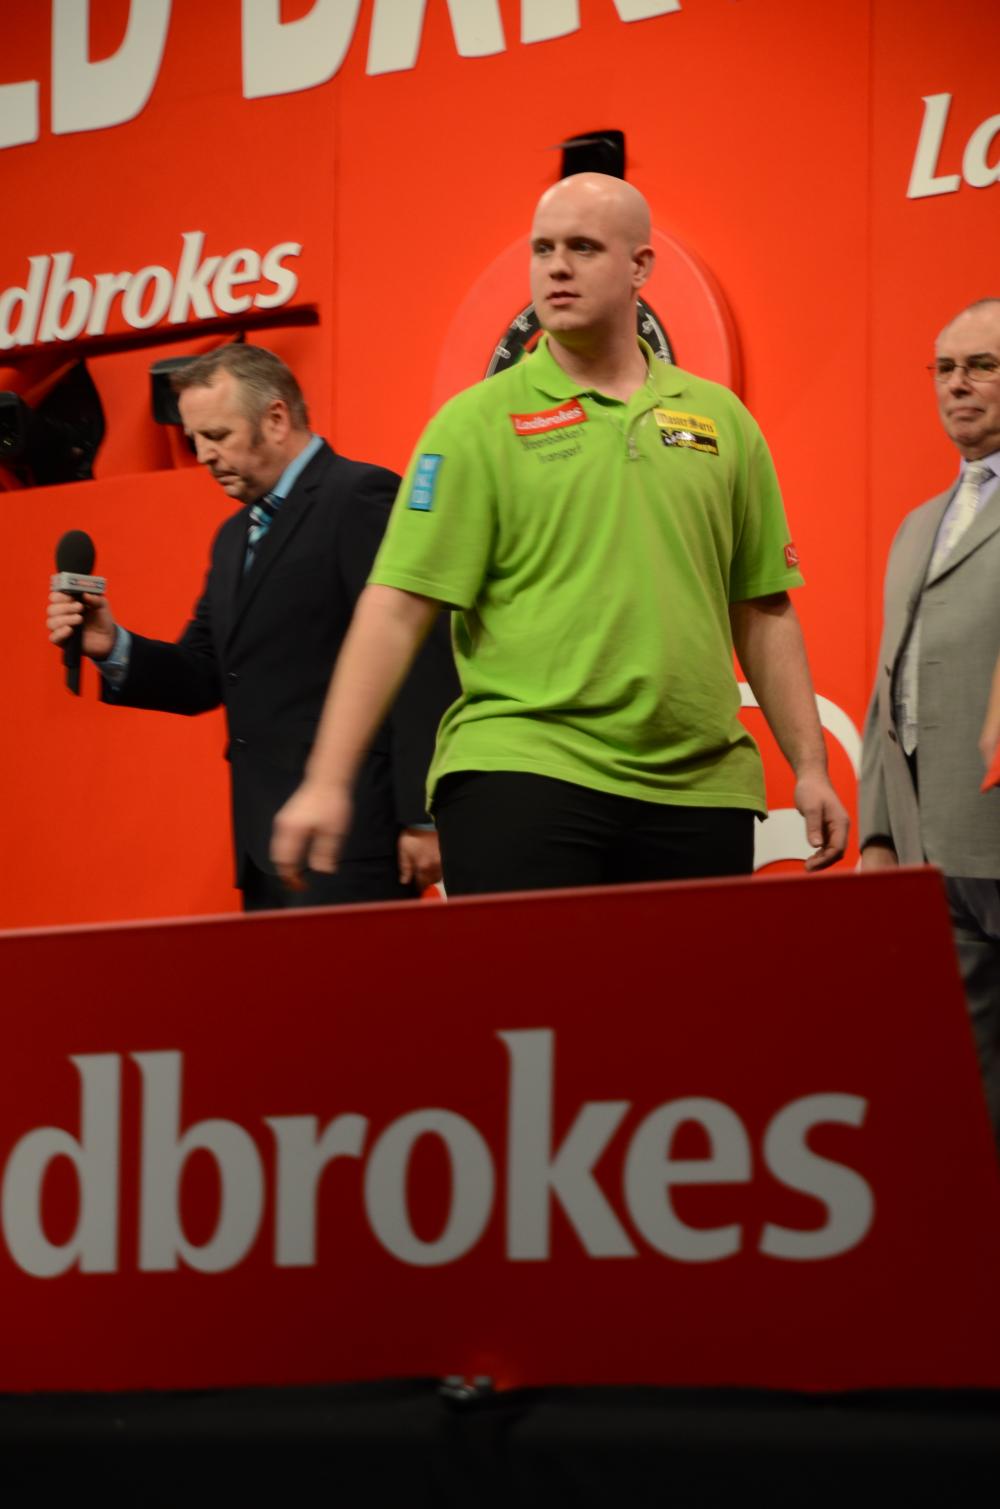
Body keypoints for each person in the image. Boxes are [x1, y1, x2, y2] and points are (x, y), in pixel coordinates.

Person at [272, 173, 847, 895]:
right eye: (543, 249)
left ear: (640, 266)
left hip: (701, 789)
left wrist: (811, 767)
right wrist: (327, 780)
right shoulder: (474, 423)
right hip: (524, 768)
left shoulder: (721, 419)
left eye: (583, 247)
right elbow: (394, 607)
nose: (557, 267)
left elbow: (762, 604)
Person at [46, 343, 457, 910]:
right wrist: (111, 645)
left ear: (276, 418)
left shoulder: (358, 496)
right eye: (195, 439)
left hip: (356, 839)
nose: (204, 456)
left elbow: (418, 653)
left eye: (217, 435)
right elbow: (203, 674)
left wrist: (423, 816)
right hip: (266, 849)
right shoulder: (233, 537)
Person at [859, 297, 1000, 1144]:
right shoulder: (919, 524)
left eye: (982, 366)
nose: (958, 384)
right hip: (930, 848)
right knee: (962, 1088)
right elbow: (890, 685)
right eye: (945, 368)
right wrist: (879, 833)